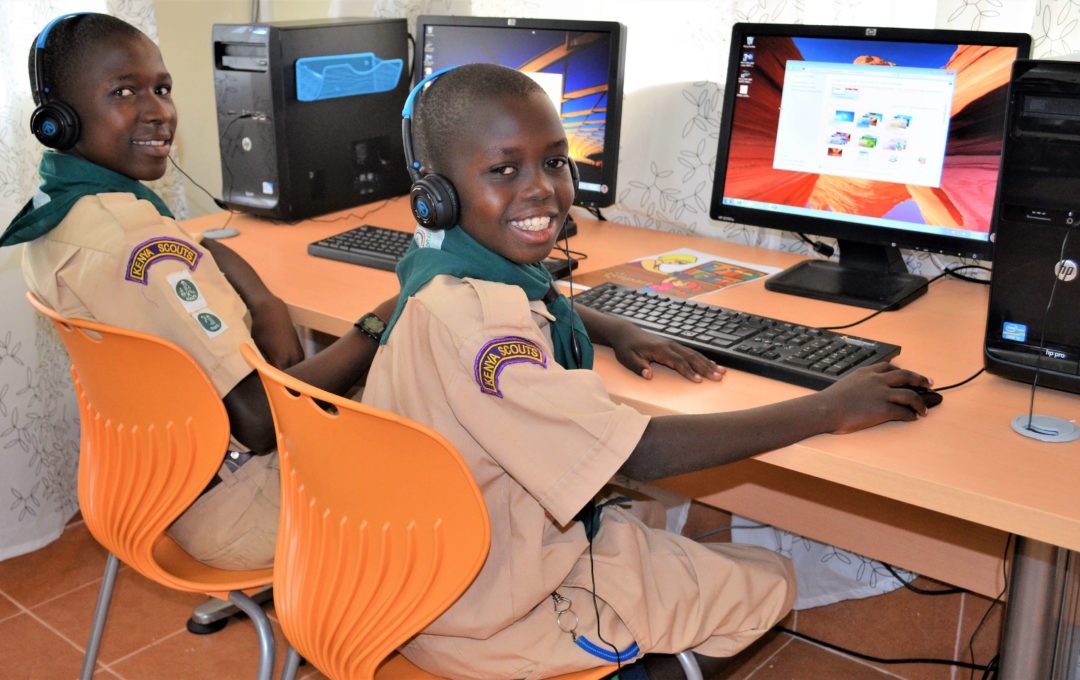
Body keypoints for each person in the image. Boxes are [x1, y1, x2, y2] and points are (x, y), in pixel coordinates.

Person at [362, 63, 937, 680]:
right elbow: (637, 456)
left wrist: (617, 327)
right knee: (768, 585)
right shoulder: (485, 332)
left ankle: (658, 578)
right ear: (436, 191)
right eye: (505, 170)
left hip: (420, 580)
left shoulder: (442, 276)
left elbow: (531, 305)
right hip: (496, 614)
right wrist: (827, 408)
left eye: (555, 162)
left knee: (665, 542)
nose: (542, 190)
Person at [1, 12, 396, 570]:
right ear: (58, 121)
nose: (158, 111)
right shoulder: (141, 246)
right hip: (239, 506)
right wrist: (381, 319)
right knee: (440, 420)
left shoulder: (61, 211)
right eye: (124, 92)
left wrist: (262, 299)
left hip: (151, 486)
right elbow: (259, 421)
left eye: (161, 88)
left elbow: (196, 252)